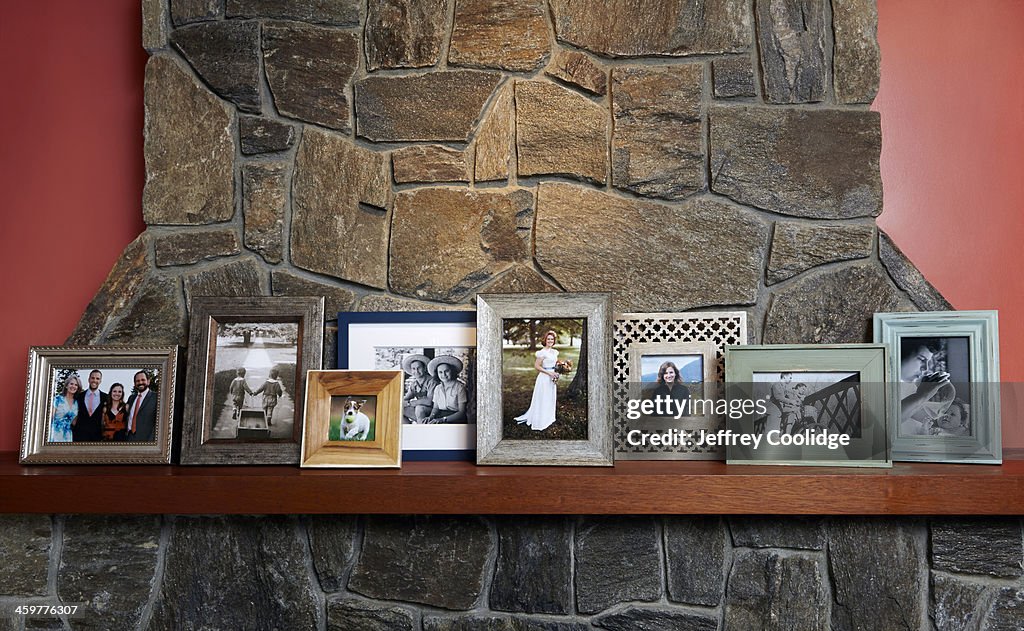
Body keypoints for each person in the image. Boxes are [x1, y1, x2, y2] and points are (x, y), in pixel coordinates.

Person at [899, 338, 955, 435]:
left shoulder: (907, 386)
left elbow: (914, 415)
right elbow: (888, 420)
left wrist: (923, 395)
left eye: (928, 362)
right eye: (921, 359)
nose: (925, 368)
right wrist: (921, 395)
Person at [514, 330, 560, 431]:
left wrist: (558, 371)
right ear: (545, 340)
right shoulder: (542, 352)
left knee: (550, 397)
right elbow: (537, 366)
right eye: (548, 339)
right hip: (544, 378)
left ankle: (549, 417)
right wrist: (549, 373)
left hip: (552, 378)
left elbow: (555, 364)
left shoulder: (555, 352)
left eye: (552, 339)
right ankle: (541, 420)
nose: (550, 341)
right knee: (543, 398)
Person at [427, 356, 467, 423]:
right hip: (440, 416)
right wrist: (431, 417)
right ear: (437, 374)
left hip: (456, 419)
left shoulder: (459, 387)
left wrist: (443, 419)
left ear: (452, 371)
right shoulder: (437, 388)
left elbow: (461, 412)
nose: (444, 375)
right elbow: (435, 408)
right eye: (440, 372)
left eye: (446, 371)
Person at [402, 354, 438, 424]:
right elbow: (406, 398)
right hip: (421, 412)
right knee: (399, 409)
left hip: (434, 411)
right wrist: (400, 402)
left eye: (419, 368)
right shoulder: (414, 384)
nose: (416, 371)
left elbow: (429, 401)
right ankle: (409, 430)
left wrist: (410, 403)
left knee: (419, 408)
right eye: (413, 369)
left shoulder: (431, 381)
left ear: (424, 368)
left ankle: (421, 431)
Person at [73, 369, 107, 442]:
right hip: (79, 437)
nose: (94, 380)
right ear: (89, 379)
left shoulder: (106, 397)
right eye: (92, 378)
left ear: (100, 381)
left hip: (97, 438)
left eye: (97, 378)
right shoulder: (79, 396)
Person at [125, 370, 158, 442]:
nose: (140, 382)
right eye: (137, 381)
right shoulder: (131, 398)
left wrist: (152, 441)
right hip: (129, 438)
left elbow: (158, 422)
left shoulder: (157, 397)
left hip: (146, 440)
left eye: (143, 380)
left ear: (148, 381)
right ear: (134, 383)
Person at [50, 375, 81, 443]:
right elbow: (50, 419)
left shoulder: (77, 403)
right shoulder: (57, 399)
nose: (73, 386)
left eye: (76, 385)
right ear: (66, 386)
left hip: (67, 435)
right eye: (71, 384)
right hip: (54, 433)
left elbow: (74, 422)